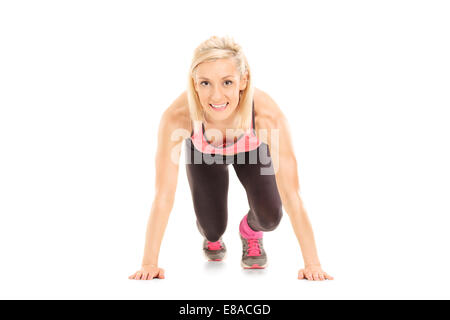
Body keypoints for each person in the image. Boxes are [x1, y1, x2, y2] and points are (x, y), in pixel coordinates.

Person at [129, 36, 334, 281]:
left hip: (253, 151)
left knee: (270, 218)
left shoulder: (266, 116)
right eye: (205, 83)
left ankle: (249, 231)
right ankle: (212, 238)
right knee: (212, 228)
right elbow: (163, 195)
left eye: (227, 82)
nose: (216, 96)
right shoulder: (178, 116)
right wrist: (149, 263)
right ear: (194, 83)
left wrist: (313, 264)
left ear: (243, 81)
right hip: (204, 155)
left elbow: (292, 195)